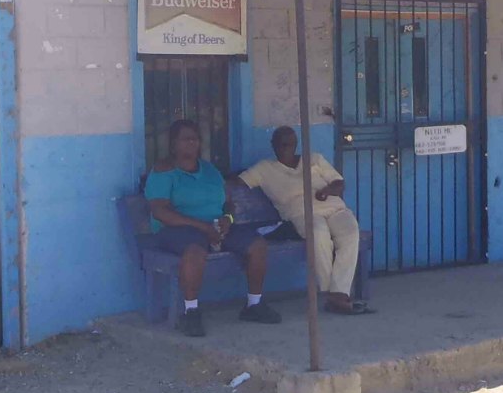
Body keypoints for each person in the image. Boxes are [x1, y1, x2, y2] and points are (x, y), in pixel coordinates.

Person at [144, 119, 277, 337]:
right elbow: (160, 211)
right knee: (195, 252)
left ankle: (254, 305)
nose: (192, 143)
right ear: (173, 144)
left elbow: (228, 203)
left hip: (214, 227)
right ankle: (191, 312)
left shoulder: (210, 170)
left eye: (195, 139)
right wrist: (201, 226)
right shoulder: (163, 171)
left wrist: (228, 219)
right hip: (176, 229)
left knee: (258, 246)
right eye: (186, 139)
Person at [234, 126, 368, 316]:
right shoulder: (264, 169)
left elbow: (339, 183)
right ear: (273, 146)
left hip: (335, 208)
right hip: (303, 214)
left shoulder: (314, 159)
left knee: (350, 232)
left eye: (291, 144)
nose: (286, 148)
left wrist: (327, 191)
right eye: (282, 144)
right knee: (319, 233)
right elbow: (238, 182)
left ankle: (338, 293)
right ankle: (333, 294)